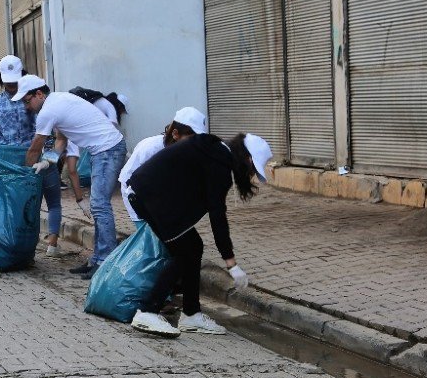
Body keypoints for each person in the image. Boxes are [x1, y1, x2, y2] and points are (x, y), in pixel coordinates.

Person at [126, 133, 273, 338]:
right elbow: (217, 216)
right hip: (152, 197)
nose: (250, 174)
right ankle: (147, 311)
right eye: (252, 168)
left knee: (193, 246)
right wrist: (231, 263)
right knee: (185, 253)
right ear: (247, 158)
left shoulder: (214, 149)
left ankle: (191, 314)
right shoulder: (219, 165)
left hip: (147, 193)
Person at [14, 76, 127, 279]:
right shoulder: (58, 100)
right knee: (98, 205)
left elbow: (34, 148)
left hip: (108, 150)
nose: (27, 106)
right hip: (105, 150)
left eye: (27, 100)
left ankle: (105, 263)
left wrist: (26, 175)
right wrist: (48, 162)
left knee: (100, 206)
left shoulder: (47, 111)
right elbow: (61, 140)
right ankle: (97, 259)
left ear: (39, 94)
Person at [0, 55, 66, 256]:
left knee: (52, 198)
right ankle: (14, 240)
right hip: (10, 163)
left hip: (40, 156)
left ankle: (52, 241)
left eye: (14, 81)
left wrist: (48, 158)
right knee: (16, 203)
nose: (10, 85)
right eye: (7, 81)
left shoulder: (35, 98)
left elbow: (52, 132)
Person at [119, 107, 206, 227]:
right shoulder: (151, 148)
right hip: (136, 195)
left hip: (160, 198)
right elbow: (130, 179)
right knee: (149, 237)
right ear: (175, 134)